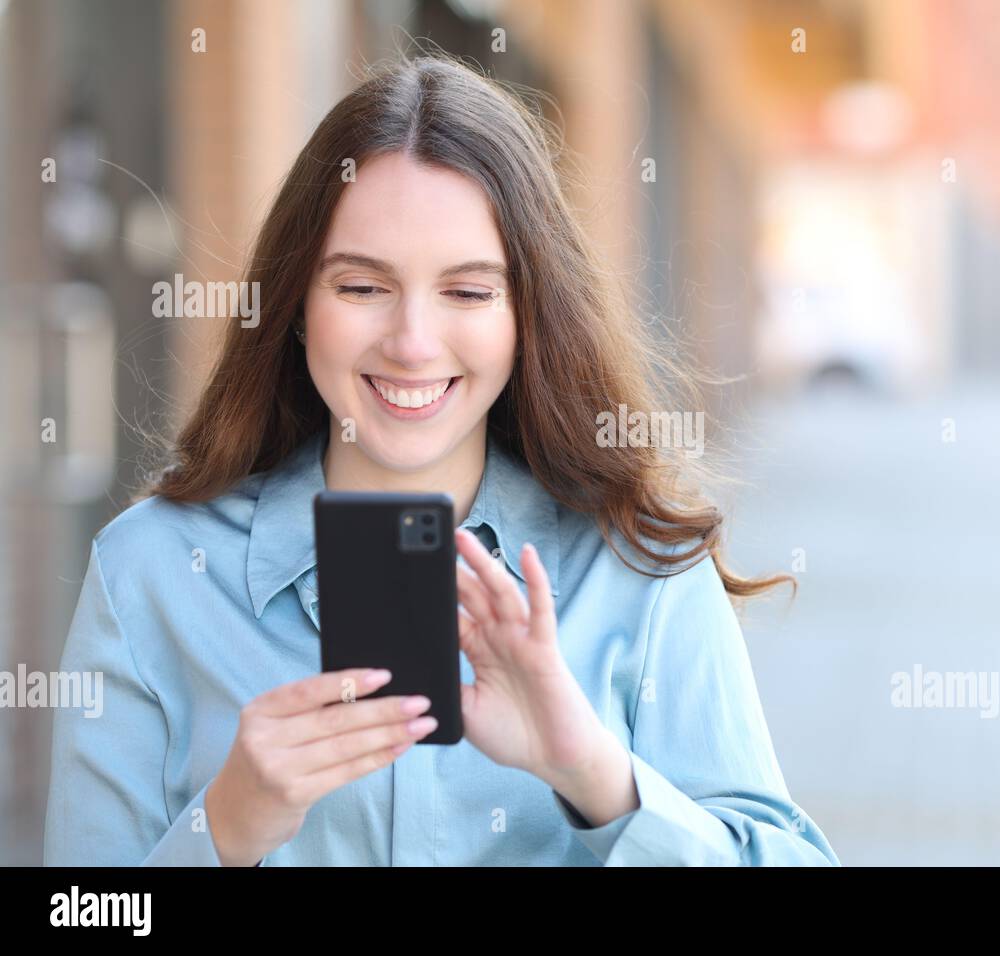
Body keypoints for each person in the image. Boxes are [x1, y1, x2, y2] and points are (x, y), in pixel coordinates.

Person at [43, 52, 840, 866]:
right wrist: (226, 827)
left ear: (529, 315)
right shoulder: (154, 573)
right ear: (296, 308)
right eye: (361, 287)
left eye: (468, 292)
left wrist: (594, 773)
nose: (413, 343)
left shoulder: (643, 571)